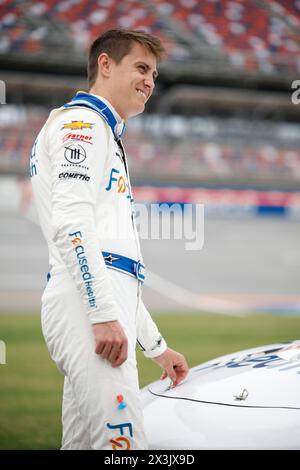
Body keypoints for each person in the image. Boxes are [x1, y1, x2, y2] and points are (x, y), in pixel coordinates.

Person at [30, 29, 189, 450]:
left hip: (97, 303)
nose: (150, 81)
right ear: (105, 64)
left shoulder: (104, 131)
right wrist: (101, 313)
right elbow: (71, 224)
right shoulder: (82, 124)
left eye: (154, 73)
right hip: (86, 308)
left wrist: (156, 347)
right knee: (123, 448)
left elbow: (120, 268)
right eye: (141, 67)